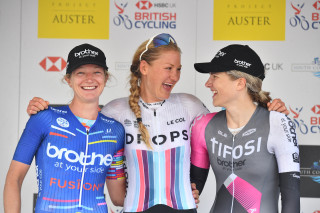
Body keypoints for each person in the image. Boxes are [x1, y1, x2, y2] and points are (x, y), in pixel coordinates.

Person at [25, 34, 288, 213]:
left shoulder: (190, 104)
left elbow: (236, 119)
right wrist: (43, 108)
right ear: (144, 68)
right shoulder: (116, 110)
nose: (175, 76)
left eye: (178, 69)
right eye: (168, 68)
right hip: (134, 206)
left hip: (183, 207)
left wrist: (268, 109)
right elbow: (77, 116)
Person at [4, 44, 126, 213]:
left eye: (97, 72)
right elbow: (14, 179)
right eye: (80, 72)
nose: (89, 78)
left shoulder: (116, 131)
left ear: (105, 78)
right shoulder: (44, 118)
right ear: (68, 79)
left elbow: (118, 197)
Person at [190, 44, 300, 213]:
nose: (207, 83)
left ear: (240, 83)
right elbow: (190, 193)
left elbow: (291, 196)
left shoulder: (277, 123)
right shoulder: (203, 125)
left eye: (215, 76)